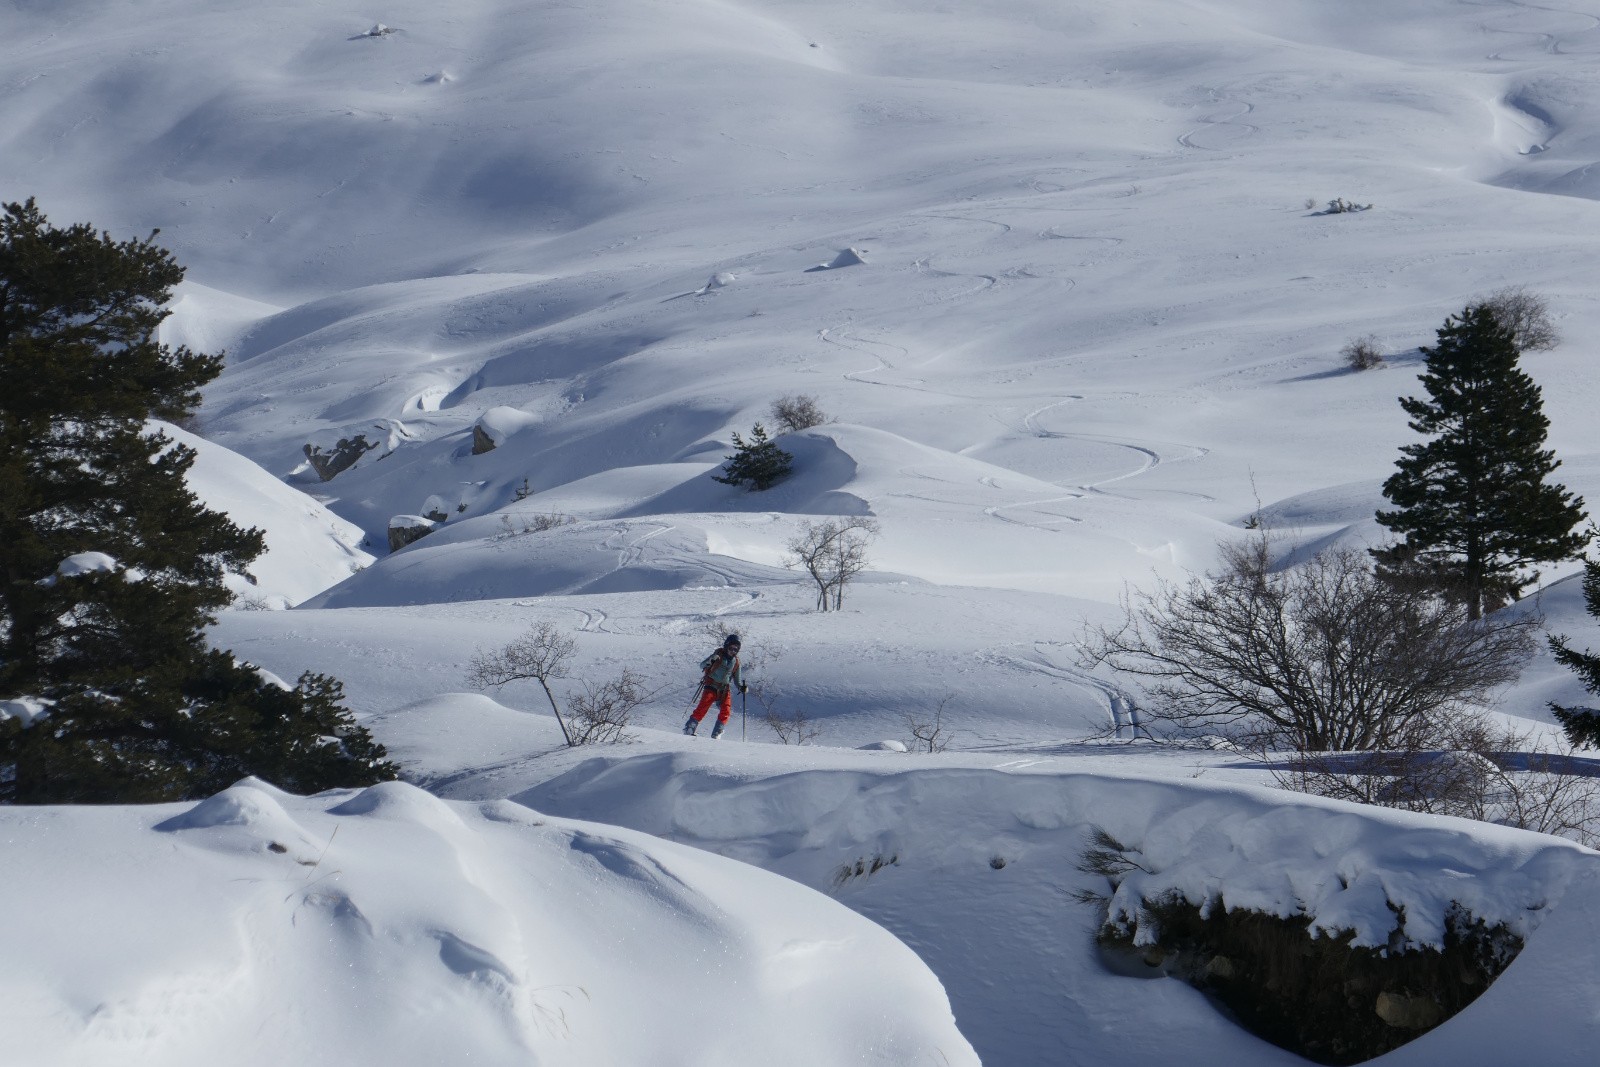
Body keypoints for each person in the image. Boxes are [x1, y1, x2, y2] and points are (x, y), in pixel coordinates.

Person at [684, 634, 746, 739]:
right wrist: (710, 661)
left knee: (726, 711)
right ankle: (689, 728)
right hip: (711, 685)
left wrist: (741, 687)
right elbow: (702, 665)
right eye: (731, 648)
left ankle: (717, 733)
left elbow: (737, 679)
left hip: (724, 689)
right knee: (702, 708)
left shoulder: (736, 662)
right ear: (726, 646)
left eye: (736, 649)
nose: (733, 651)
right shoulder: (718, 655)